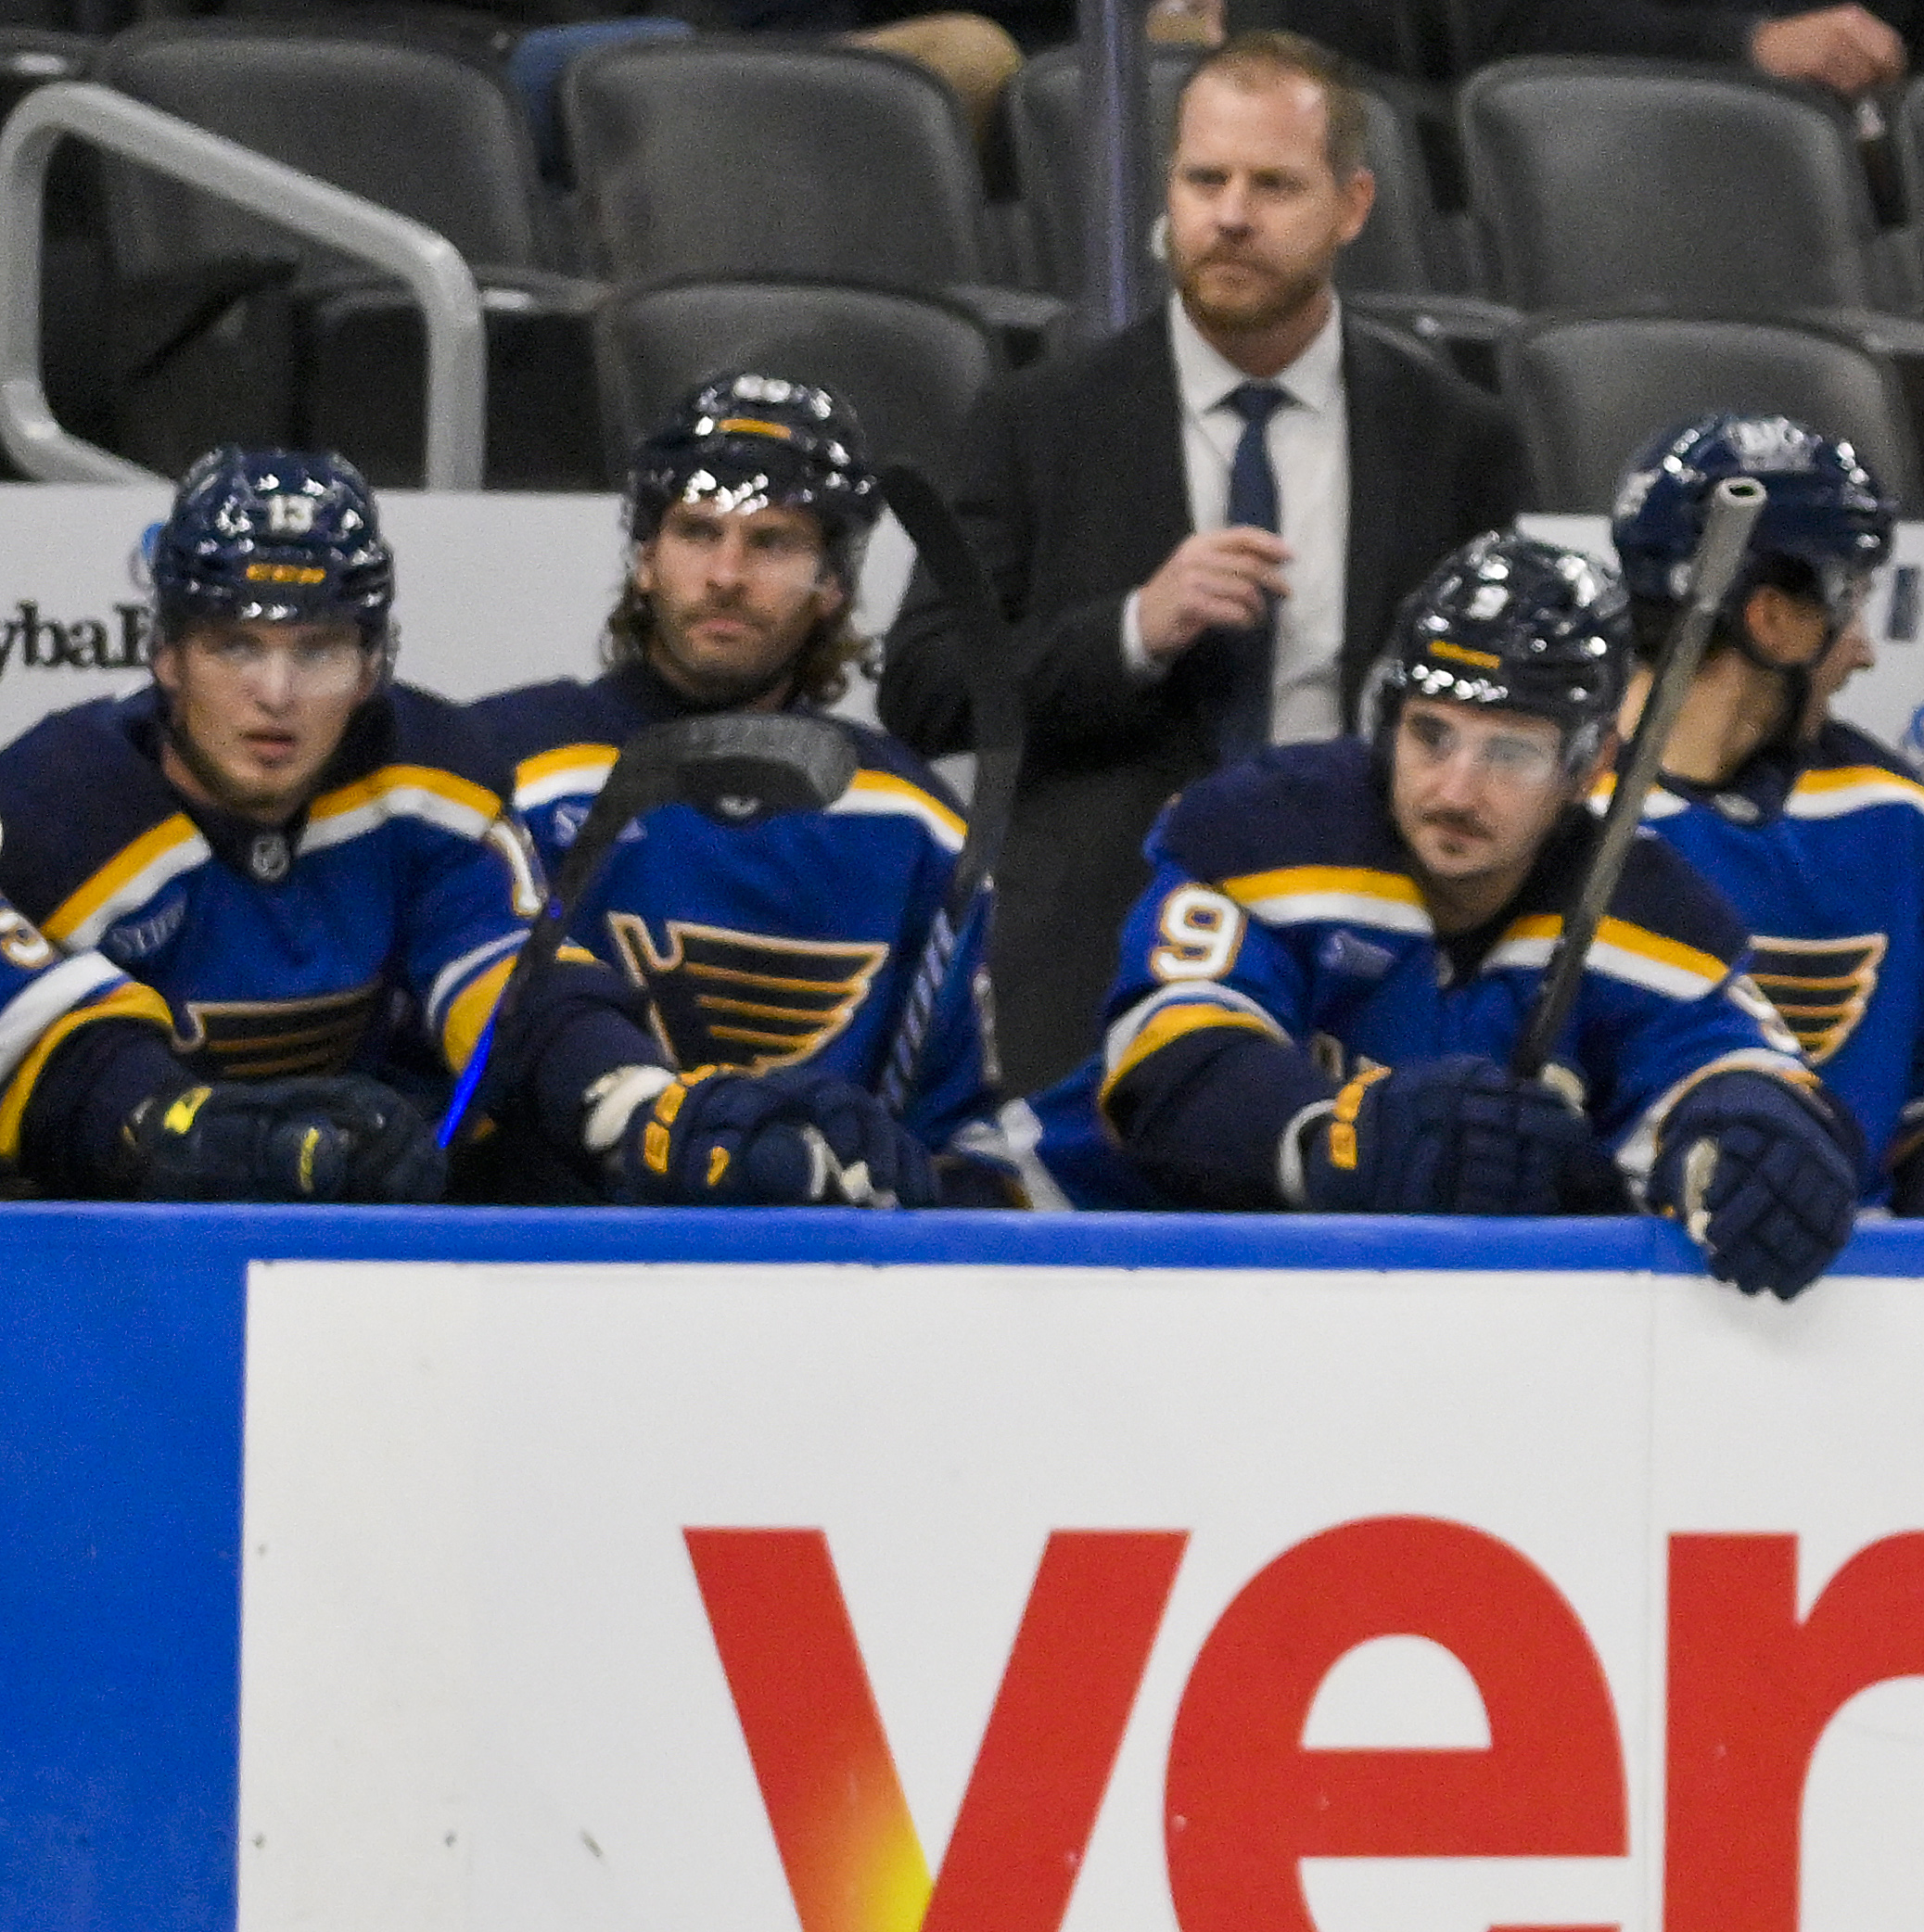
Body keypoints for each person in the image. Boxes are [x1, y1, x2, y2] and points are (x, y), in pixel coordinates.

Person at [0, 448, 924, 1210]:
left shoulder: (426, 774)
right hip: (91, 1255)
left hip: (333, 1245)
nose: (274, 697)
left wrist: (641, 1107)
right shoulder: (54, 799)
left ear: (372, 666)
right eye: (233, 645)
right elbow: (45, 1041)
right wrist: (186, 1132)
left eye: (317, 649)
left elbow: (511, 991)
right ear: (165, 654)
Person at [878, 29, 1530, 1093]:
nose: (1229, 215)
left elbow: (1500, 714)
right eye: (1203, 179)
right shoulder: (1037, 421)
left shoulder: (1456, 437)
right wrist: (1133, 628)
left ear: (1353, 206)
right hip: (1090, 974)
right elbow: (925, 687)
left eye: (1273, 184)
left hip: (1368, 974)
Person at [967, 532, 1863, 1301]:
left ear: (1595, 767)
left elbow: (1738, 1073)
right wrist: (1345, 1138)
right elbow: (1170, 1071)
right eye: (1431, 735)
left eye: (1512, 751)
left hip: (1379, 1328)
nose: (1455, 789)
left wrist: (1749, 1141)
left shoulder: (1655, 914)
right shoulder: (1261, 830)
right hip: (1074, 1266)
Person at [475, 374, 996, 1174]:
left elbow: (966, 1136)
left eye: (771, 542)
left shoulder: (912, 820)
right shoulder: (502, 770)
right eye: (696, 532)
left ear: (833, 585)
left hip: (824, 1278)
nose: (726, 574)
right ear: (645, 560)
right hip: (553, 1265)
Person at [1607, 413, 1924, 1222]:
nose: (1865, 651)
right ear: (1772, 619)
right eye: (1855, 603)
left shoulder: (1895, 822)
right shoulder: (1548, 816)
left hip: (1853, 1307)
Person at [1444, 0, 1924, 97]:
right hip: (1634, 183)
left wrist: (1901, 120)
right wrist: (1752, 48)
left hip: (1861, 223)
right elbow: (1513, 28)